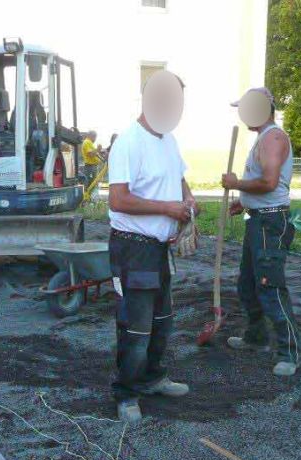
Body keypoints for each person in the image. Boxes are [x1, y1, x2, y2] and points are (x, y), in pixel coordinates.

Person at [108, 72, 197, 423]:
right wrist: (167, 209)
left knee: (163, 320)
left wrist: (188, 200)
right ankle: (126, 394)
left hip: (159, 249)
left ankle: (153, 377)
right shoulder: (129, 142)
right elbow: (118, 200)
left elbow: (178, 176)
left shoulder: (169, 140)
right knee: (136, 326)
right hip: (133, 249)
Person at [222, 86, 301, 376]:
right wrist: (242, 203)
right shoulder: (261, 140)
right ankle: (255, 337)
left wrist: (235, 184)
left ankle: (289, 353)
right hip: (258, 219)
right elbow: (263, 184)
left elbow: (269, 182)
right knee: (247, 284)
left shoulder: (274, 138)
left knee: (270, 285)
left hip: (271, 223)